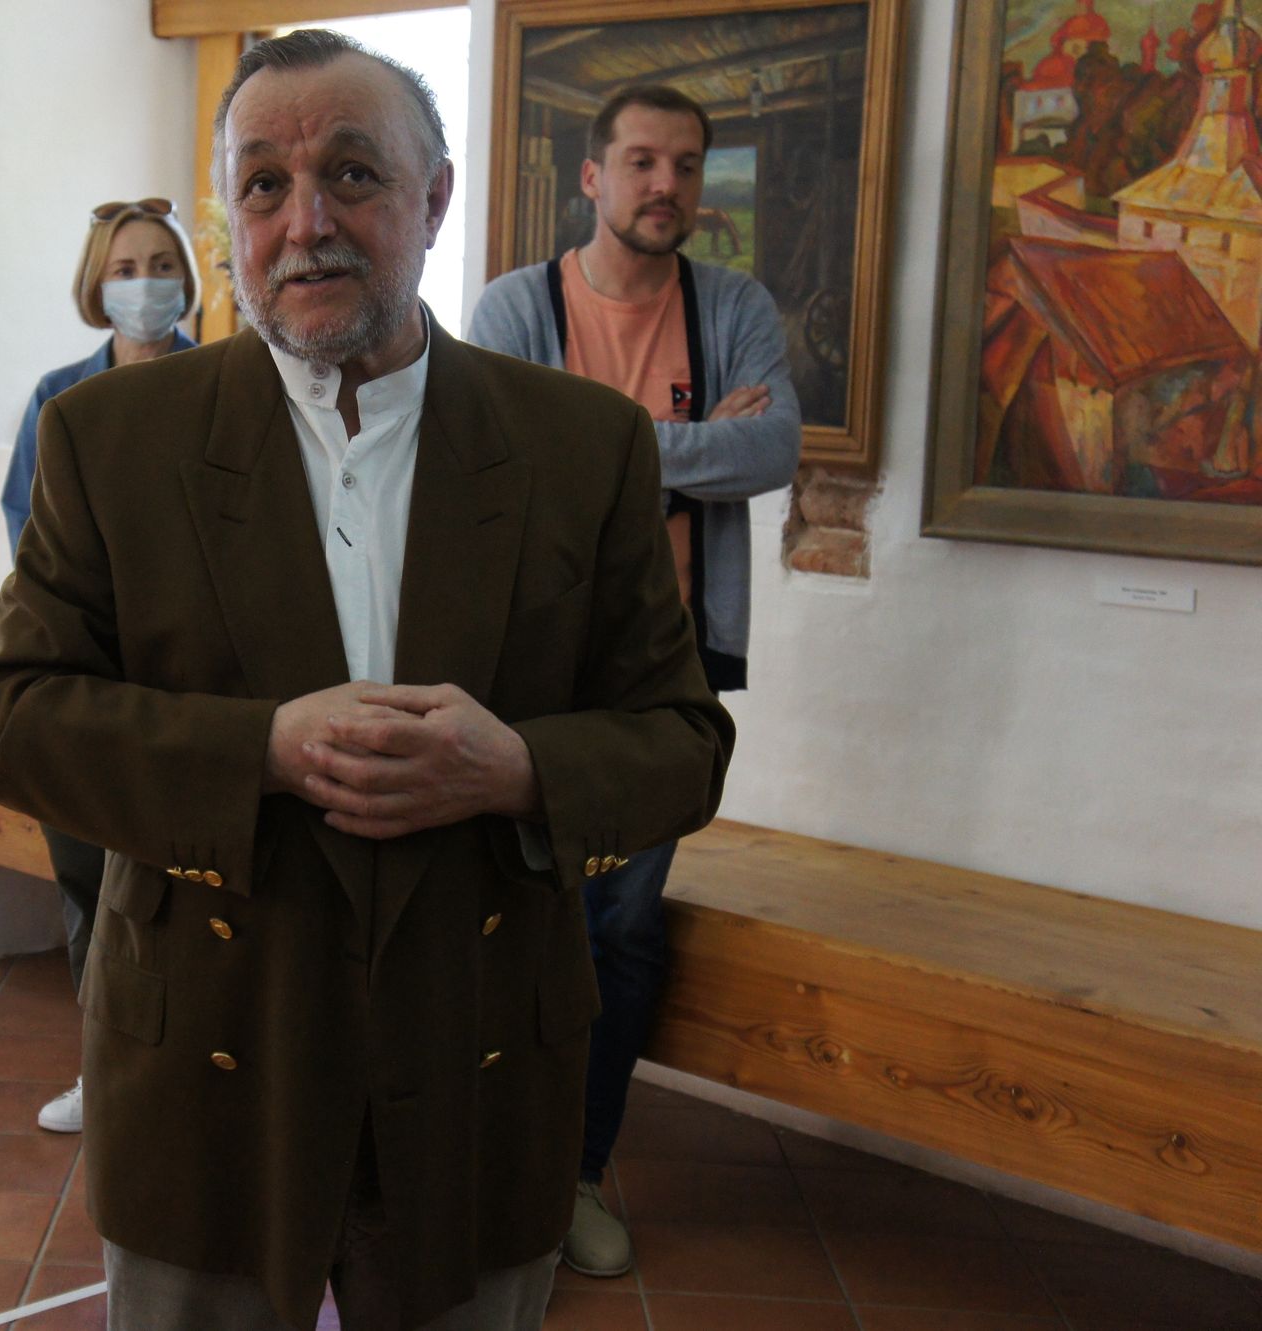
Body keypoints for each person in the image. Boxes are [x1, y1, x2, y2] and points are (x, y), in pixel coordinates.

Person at [0, 31, 733, 1331]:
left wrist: (519, 768)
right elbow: (10, 719)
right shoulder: (112, 439)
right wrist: (262, 748)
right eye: (264, 185)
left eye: (353, 174)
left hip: (477, 1058)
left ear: (434, 200)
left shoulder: (578, 444)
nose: (305, 223)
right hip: (212, 1065)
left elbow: (682, 740)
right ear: (230, 219)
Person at [467, 85, 801, 1279]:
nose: (666, 185)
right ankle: (485, 1164)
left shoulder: (733, 306)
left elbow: (772, 447)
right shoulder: (516, 307)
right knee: (512, 913)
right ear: (592, 178)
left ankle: (573, 1170)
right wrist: (679, 447)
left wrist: (597, 439)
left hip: (669, 672)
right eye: (643, 161)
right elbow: (502, 462)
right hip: (532, 669)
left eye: (687, 165)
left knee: (619, 925)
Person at [1, 196, 200, 1134]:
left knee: (192, 895)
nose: (144, 284)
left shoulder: (224, 381)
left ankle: (201, 1080)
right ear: (96, 284)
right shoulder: (59, 395)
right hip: (86, 676)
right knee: (89, 886)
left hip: (193, 684)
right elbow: (28, 528)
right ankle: (106, 1072)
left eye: (160, 265)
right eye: (125, 269)